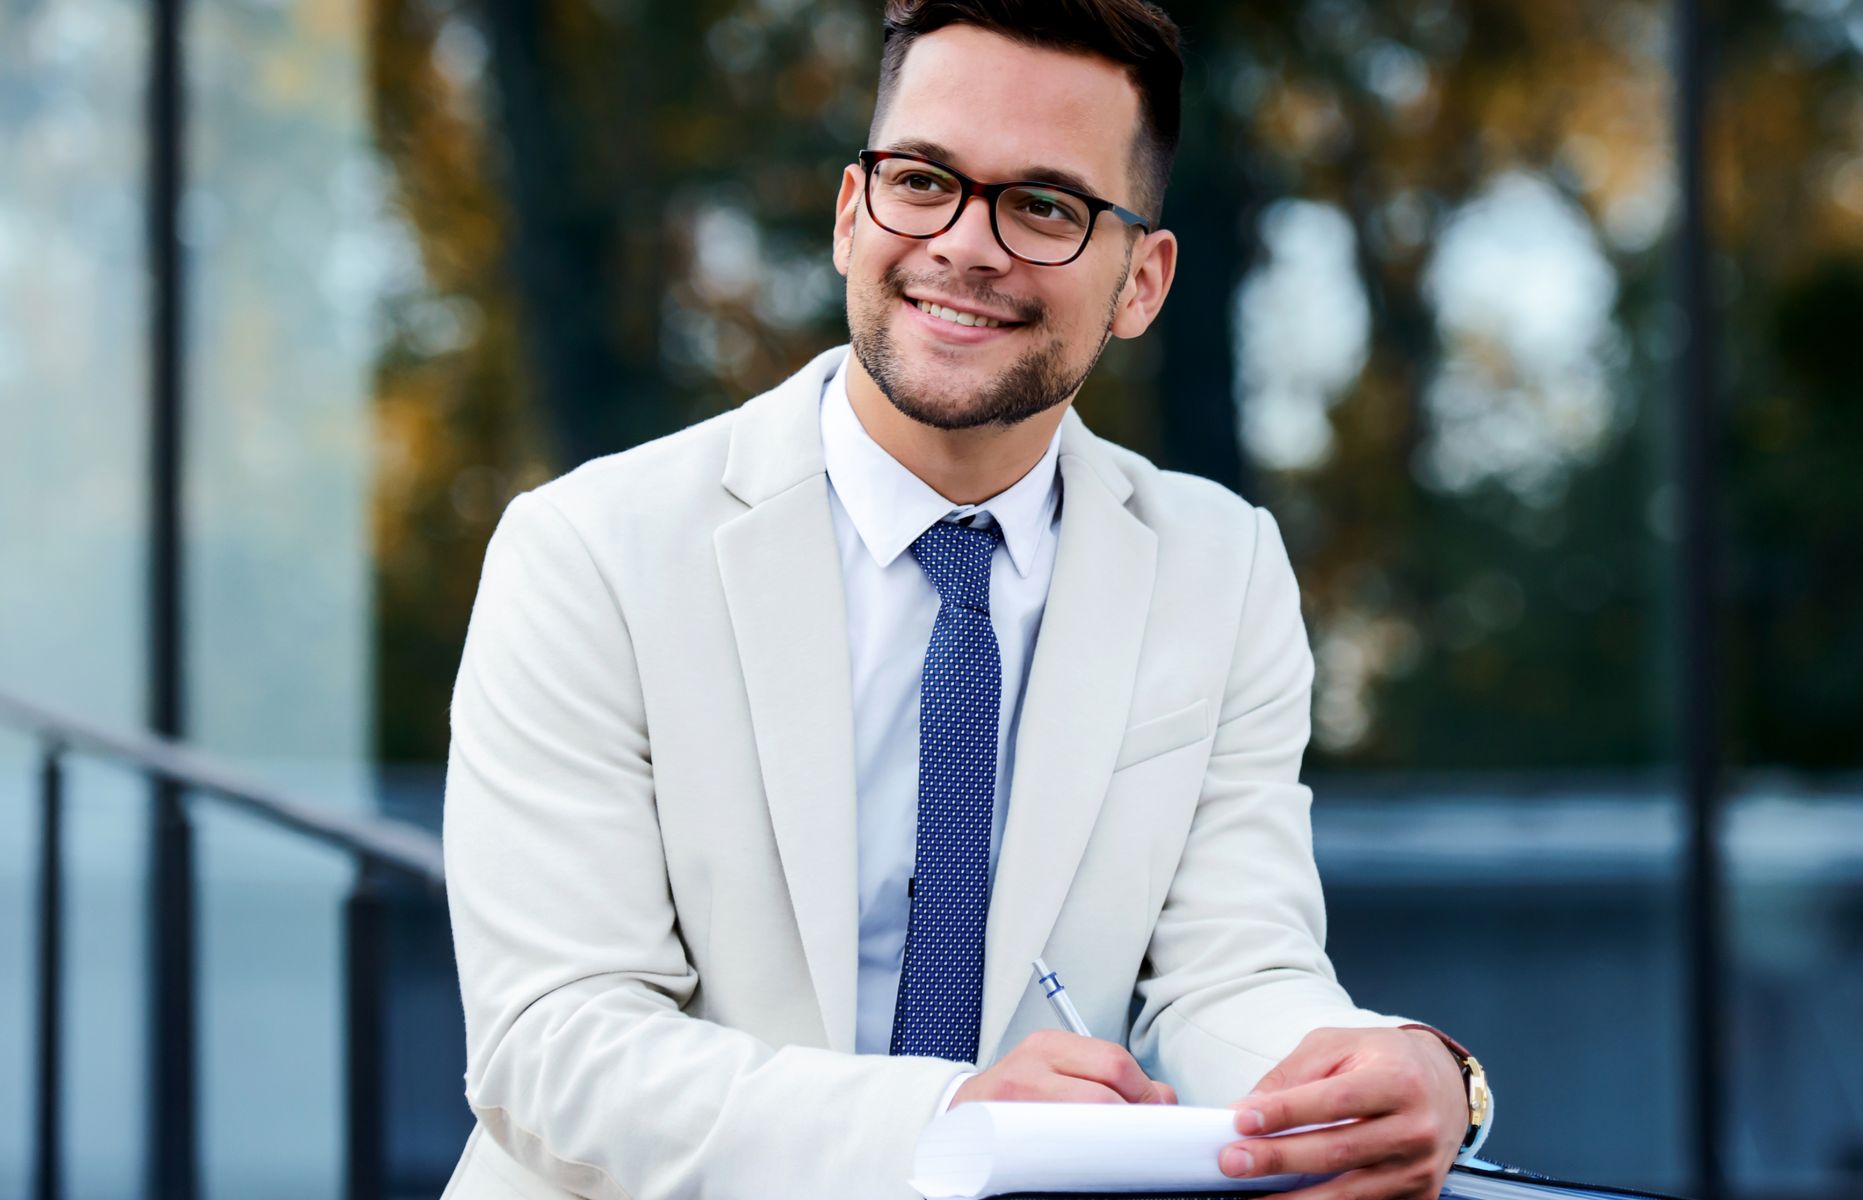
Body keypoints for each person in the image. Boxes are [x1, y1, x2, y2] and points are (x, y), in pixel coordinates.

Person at [438, 2, 1489, 1197]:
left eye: (1045, 205)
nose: (966, 243)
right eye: (924, 179)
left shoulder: (1222, 565)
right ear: (851, 215)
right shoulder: (588, 551)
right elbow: (553, 1041)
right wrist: (937, 1121)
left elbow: (1229, 974)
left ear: (1141, 282)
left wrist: (1384, 1072)